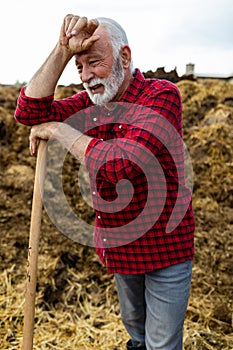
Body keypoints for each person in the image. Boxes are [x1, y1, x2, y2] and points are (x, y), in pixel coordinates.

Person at [14, 14, 195, 350]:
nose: (85, 77)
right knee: (137, 334)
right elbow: (28, 113)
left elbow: (120, 165)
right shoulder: (93, 103)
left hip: (166, 250)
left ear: (124, 57)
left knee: (162, 344)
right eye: (78, 67)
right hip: (121, 250)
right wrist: (62, 50)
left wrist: (58, 130)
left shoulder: (161, 97)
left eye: (94, 63)